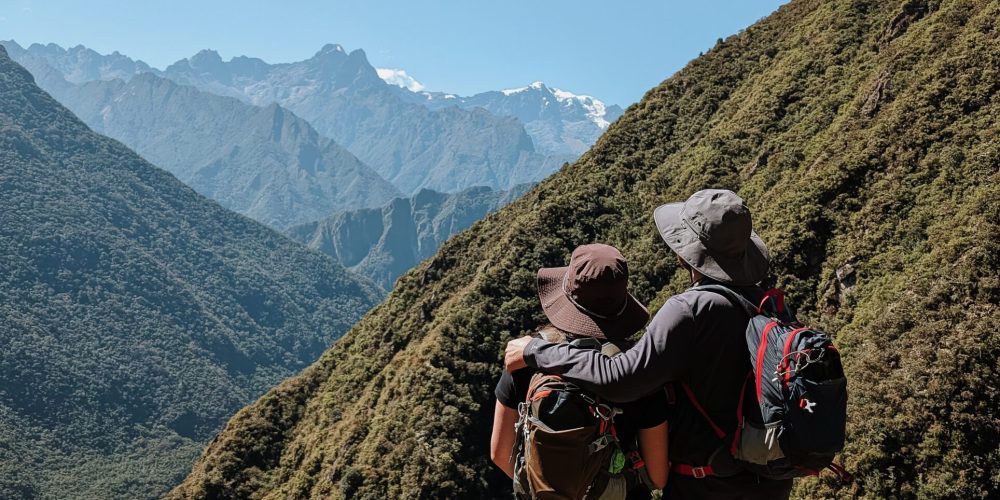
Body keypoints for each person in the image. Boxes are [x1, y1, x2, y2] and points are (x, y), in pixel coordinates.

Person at [504, 189, 794, 499]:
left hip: (707, 486)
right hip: (771, 478)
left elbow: (619, 379)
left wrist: (536, 351)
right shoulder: (771, 304)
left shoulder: (691, 310)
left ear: (686, 252)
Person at [491, 243, 669, 498]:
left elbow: (500, 453)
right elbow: (658, 475)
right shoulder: (637, 371)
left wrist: (550, 489)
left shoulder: (524, 359)